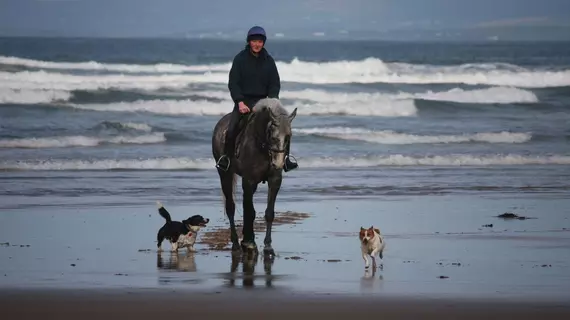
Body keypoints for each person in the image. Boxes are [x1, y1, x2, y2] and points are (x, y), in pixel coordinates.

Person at [216, 25, 298, 173]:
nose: (257, 44)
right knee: (232, 128)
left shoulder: (269, 61)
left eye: (260, 41)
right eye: (254, 41)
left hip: (264, 103)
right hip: (244, 102)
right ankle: (226, 159)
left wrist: (272, 101)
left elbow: (274, 83)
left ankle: (286, 159)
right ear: (249, 42)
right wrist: (239, 102)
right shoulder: (240, 59)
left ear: (263, 43)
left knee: (283, 128)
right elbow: (233, 83)